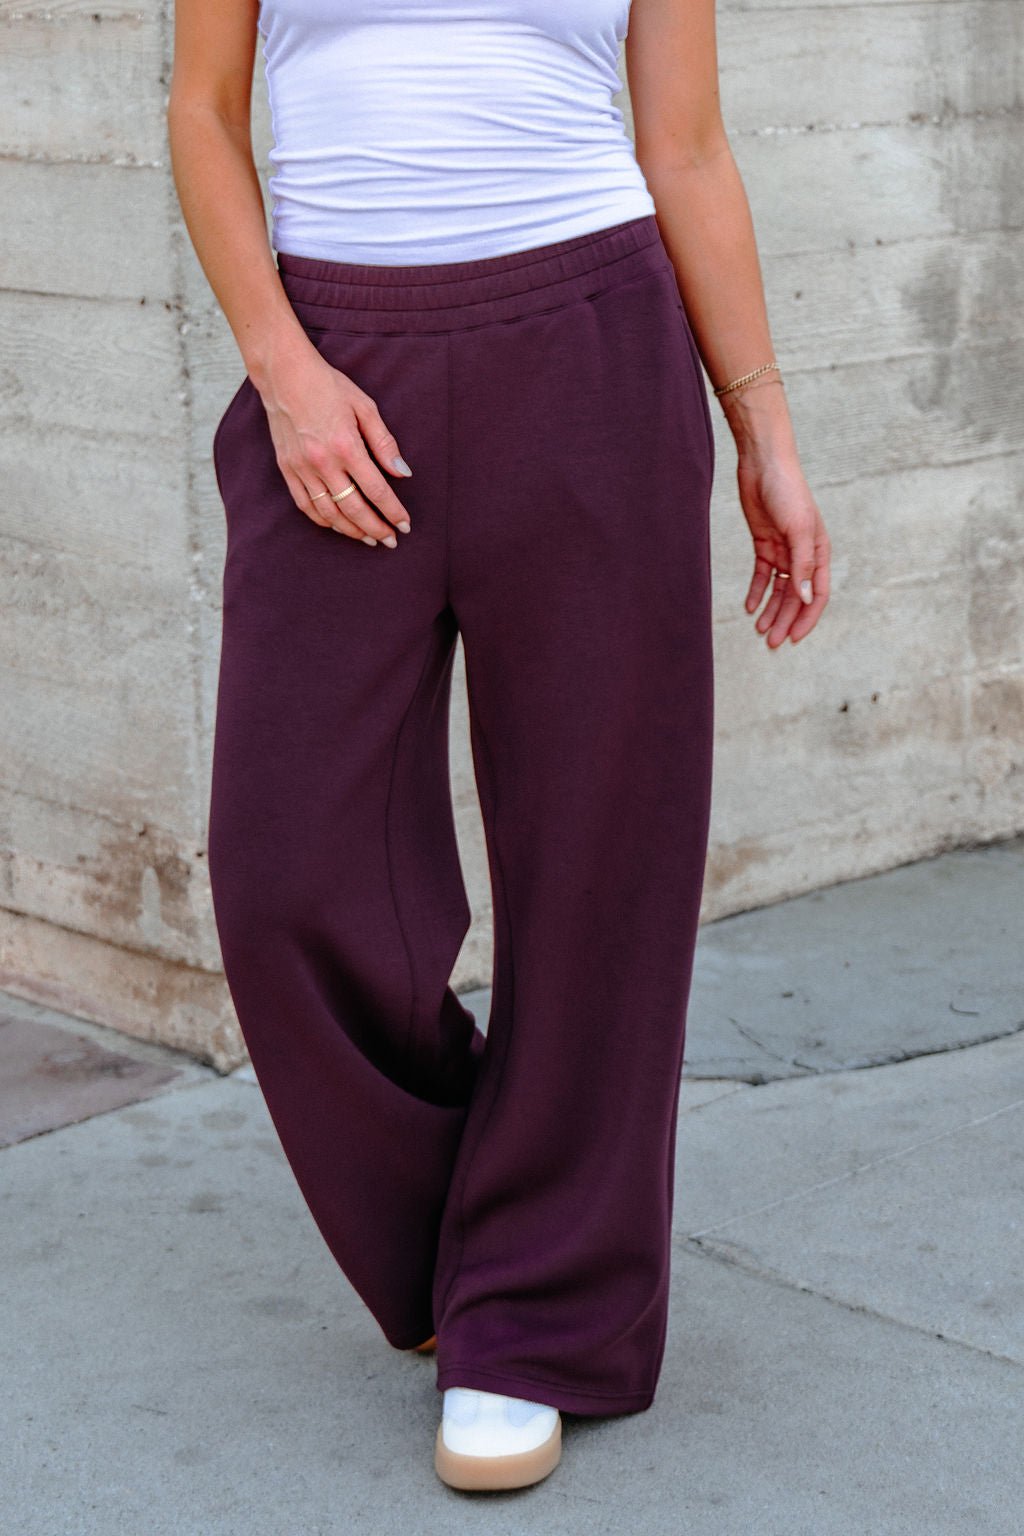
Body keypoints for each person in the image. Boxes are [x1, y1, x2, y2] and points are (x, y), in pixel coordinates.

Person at [167, 0, 831, 1494]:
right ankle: (486, 1224)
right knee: (284, 870)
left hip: (593, 350)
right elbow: (206, 114)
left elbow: (688, 144)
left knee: (606, 858)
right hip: (336, 362)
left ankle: (534, 1319)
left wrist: (767, 435)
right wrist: (281, 368)